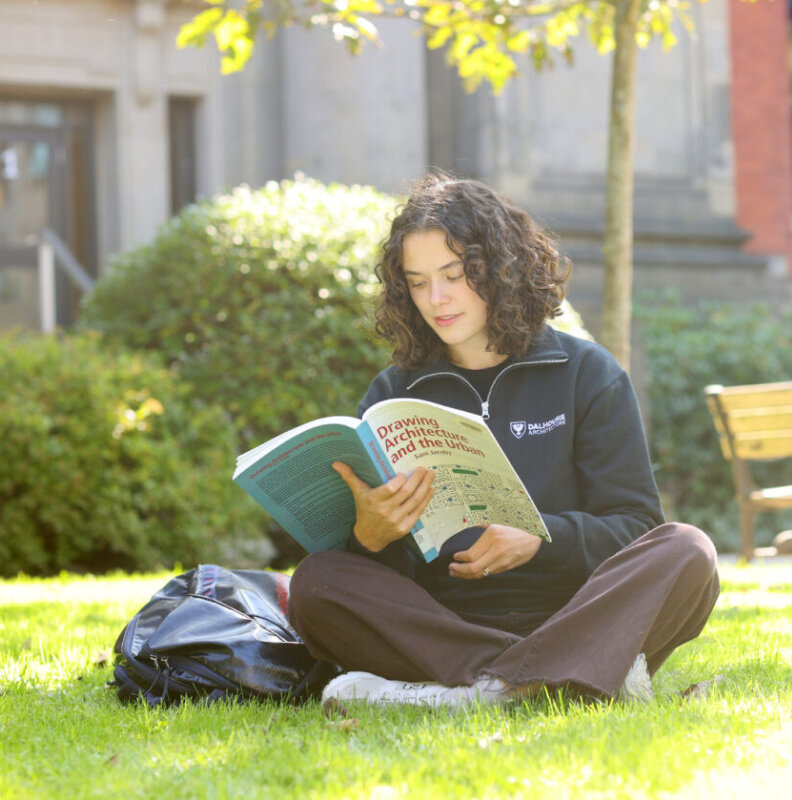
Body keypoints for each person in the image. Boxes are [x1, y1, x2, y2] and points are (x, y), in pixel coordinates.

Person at [288, 174, 719, 707]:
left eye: (454, 274)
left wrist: (542, 540)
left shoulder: (586, 373)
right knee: (316, 582)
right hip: (444, 625)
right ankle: (552, 677)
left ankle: (472, 690)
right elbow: (377, 574)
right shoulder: (393, 392)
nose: (437, 299)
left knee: (687, 550)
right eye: (418, 282)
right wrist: (370, 536)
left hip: (580, 610)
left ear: (502, 268)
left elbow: (634, 527)